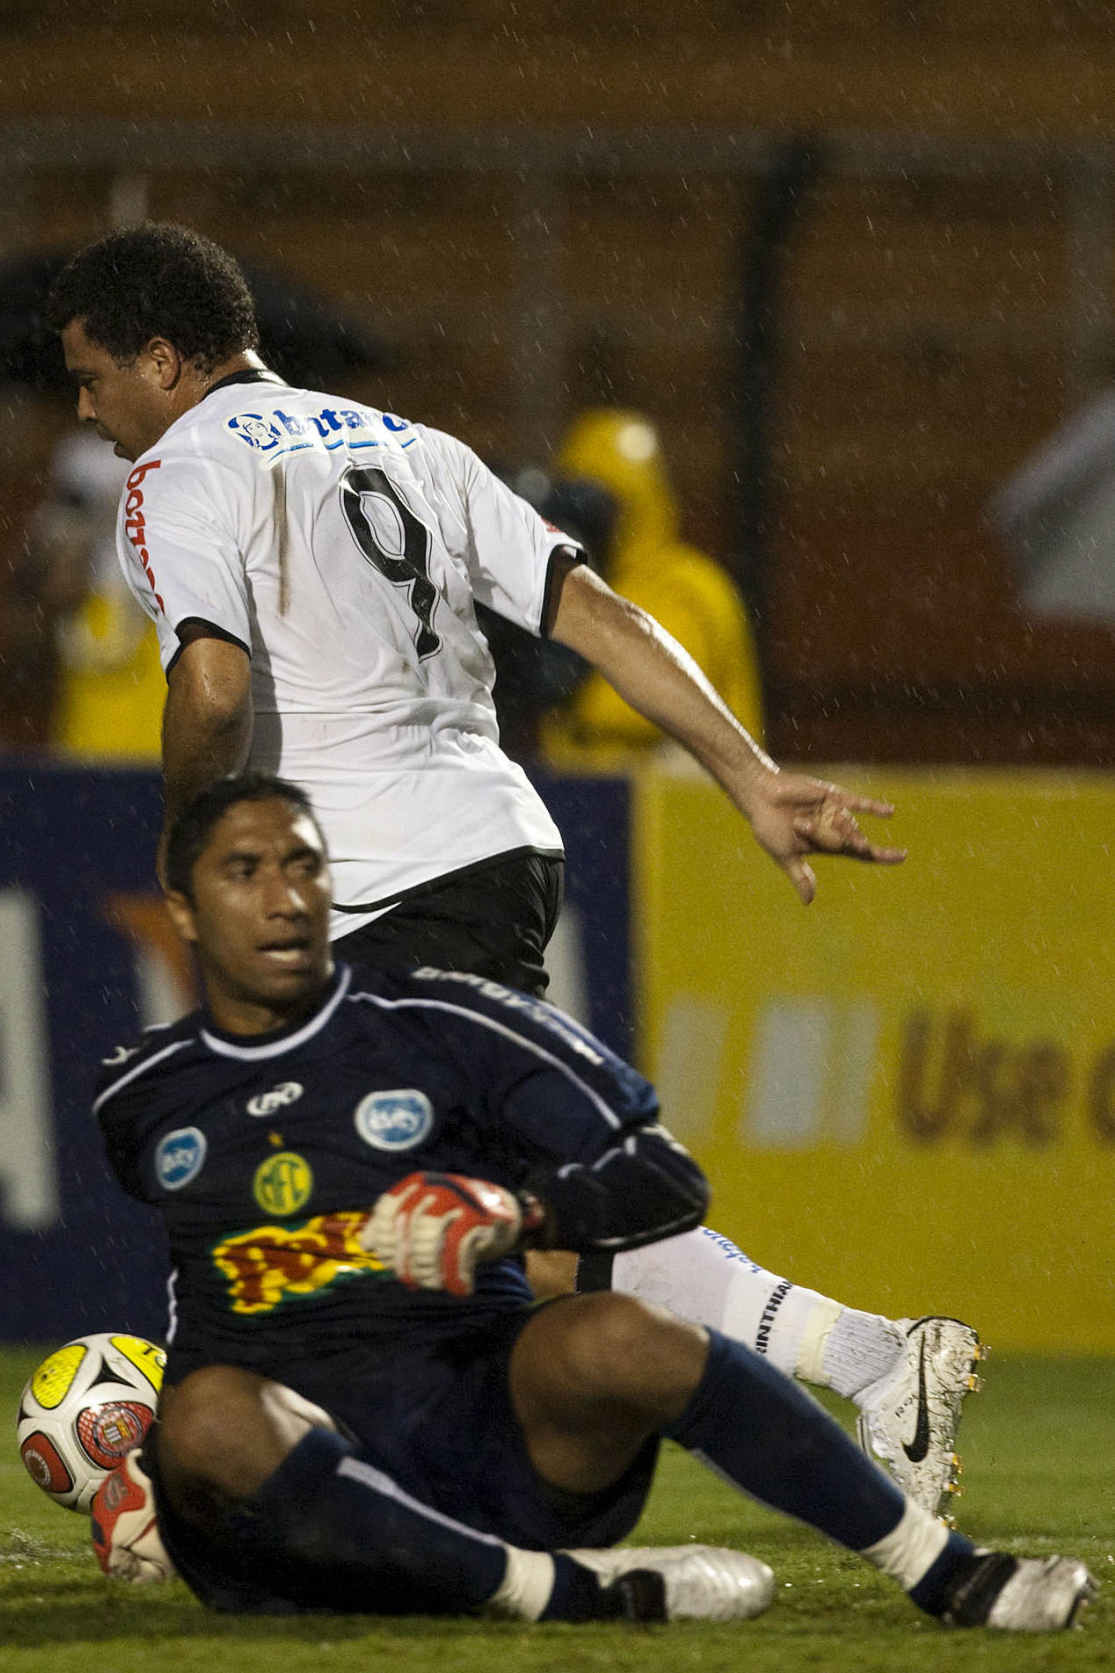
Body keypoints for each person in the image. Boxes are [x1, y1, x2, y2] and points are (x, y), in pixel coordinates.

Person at [47, 223, 970, 1514]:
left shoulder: (181, 473)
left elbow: (211, 682)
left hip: (365, 879)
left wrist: (195, 841)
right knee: (456, 1227)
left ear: (162, 360)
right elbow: (601, 614)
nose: (87, 413)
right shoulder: (413, 443)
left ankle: (215, 1490)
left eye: (92, 378)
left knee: (349, 1228)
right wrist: (750, 773)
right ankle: (867, 1358)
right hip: (489, 844)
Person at [88, 775, 1093, 1633]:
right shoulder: (140, 1098)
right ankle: (562, 1594)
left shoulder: (448, 1023)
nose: (284, 898)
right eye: (244, 872)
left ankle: (948, 1572)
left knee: (625, 1333)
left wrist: (515, 1215)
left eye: (304, 866)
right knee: (209, 1412)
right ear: (181, 910)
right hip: (290, 1522)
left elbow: (666, 1177)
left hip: (489, 1452)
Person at [540, 407, 764, 766]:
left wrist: (559, 678)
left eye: (599, 506)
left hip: (687, 808)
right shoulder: (580, 586)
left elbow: (647, 706)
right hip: (587, 806)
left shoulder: (687, 587)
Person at [7, 426, 167, 760]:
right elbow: (23, 610)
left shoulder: (183, 446)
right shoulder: (75, 458)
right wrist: (55, 578)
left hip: (159, 634)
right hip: (95, 641)